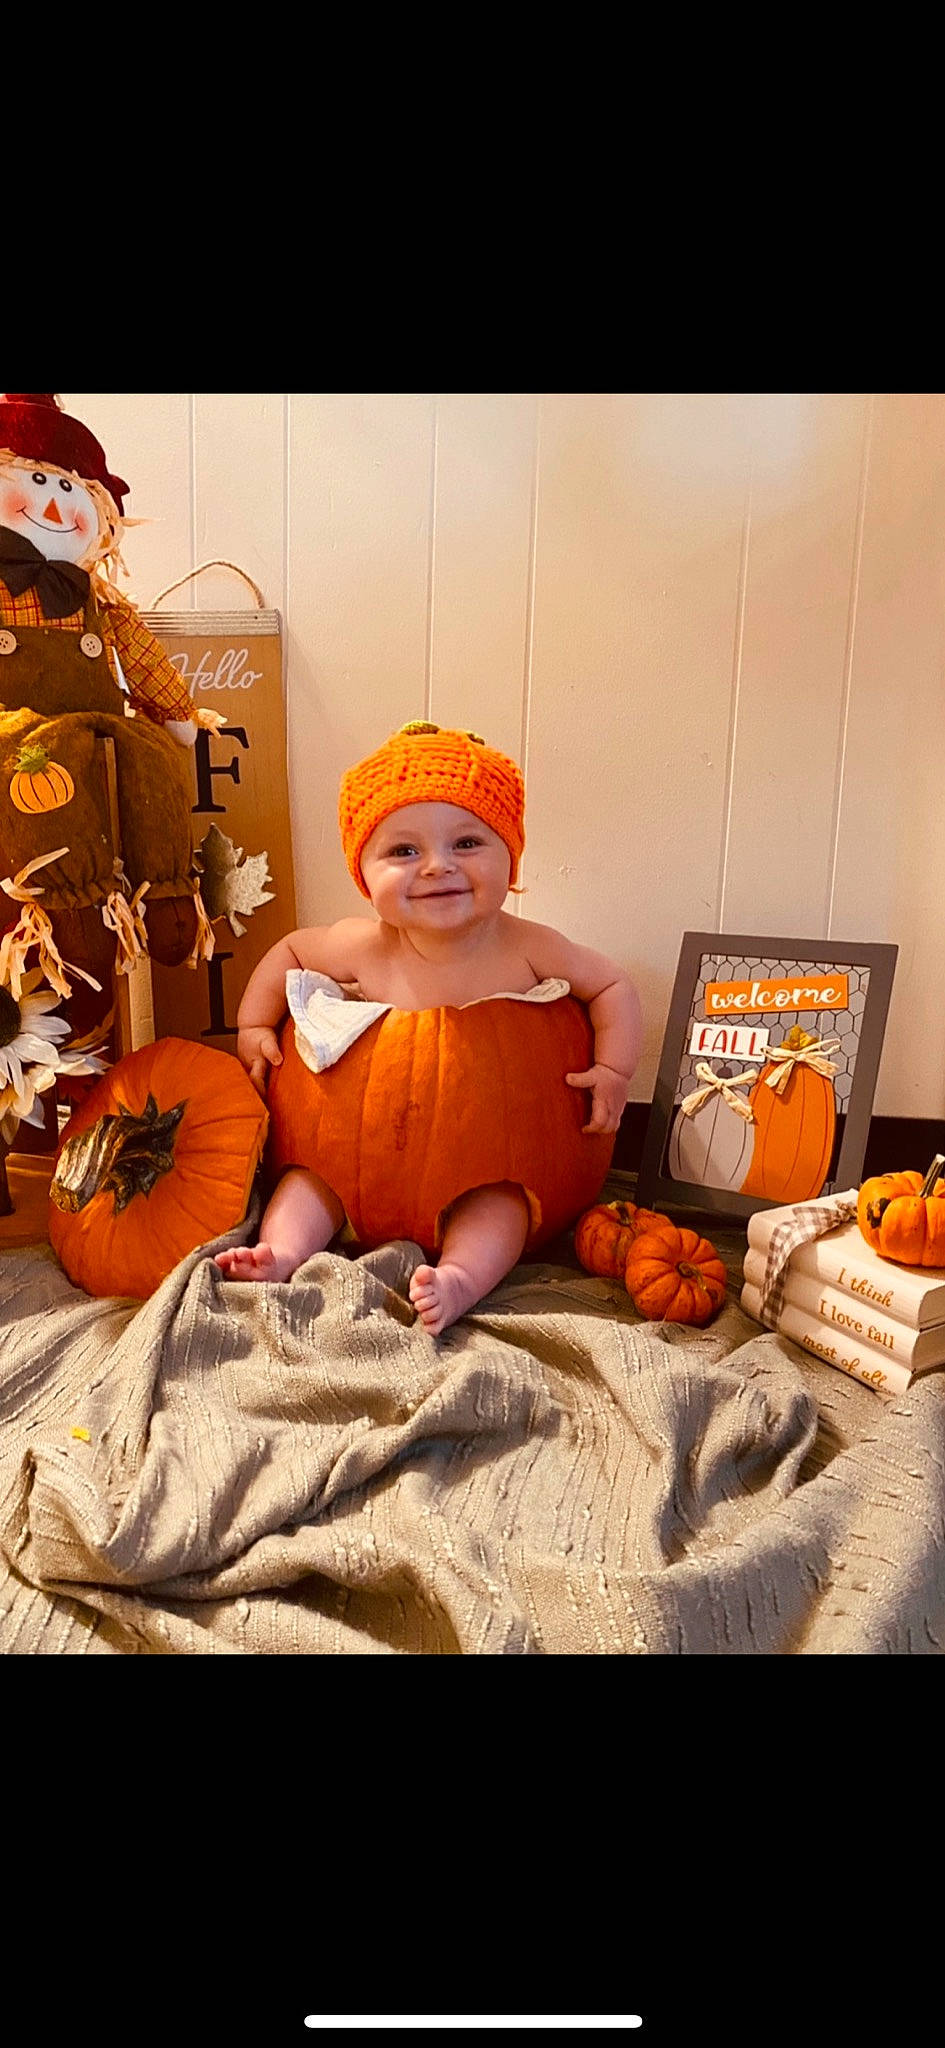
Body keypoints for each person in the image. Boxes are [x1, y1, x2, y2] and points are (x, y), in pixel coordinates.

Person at [215, 721, 642, 1333]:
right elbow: (290, 953)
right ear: (364, 873)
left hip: (489, 1155)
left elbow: (612, 985)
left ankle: (461, 1277)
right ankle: (281, 1253)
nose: (438, 866)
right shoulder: (361, 946)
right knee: (309, 1182)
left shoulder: (527, 948)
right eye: (404, 851)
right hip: (357, 1157)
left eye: (468, 843)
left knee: (502, 1205)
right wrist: (254, 1024)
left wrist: (613, 1070)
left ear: (509, 855)